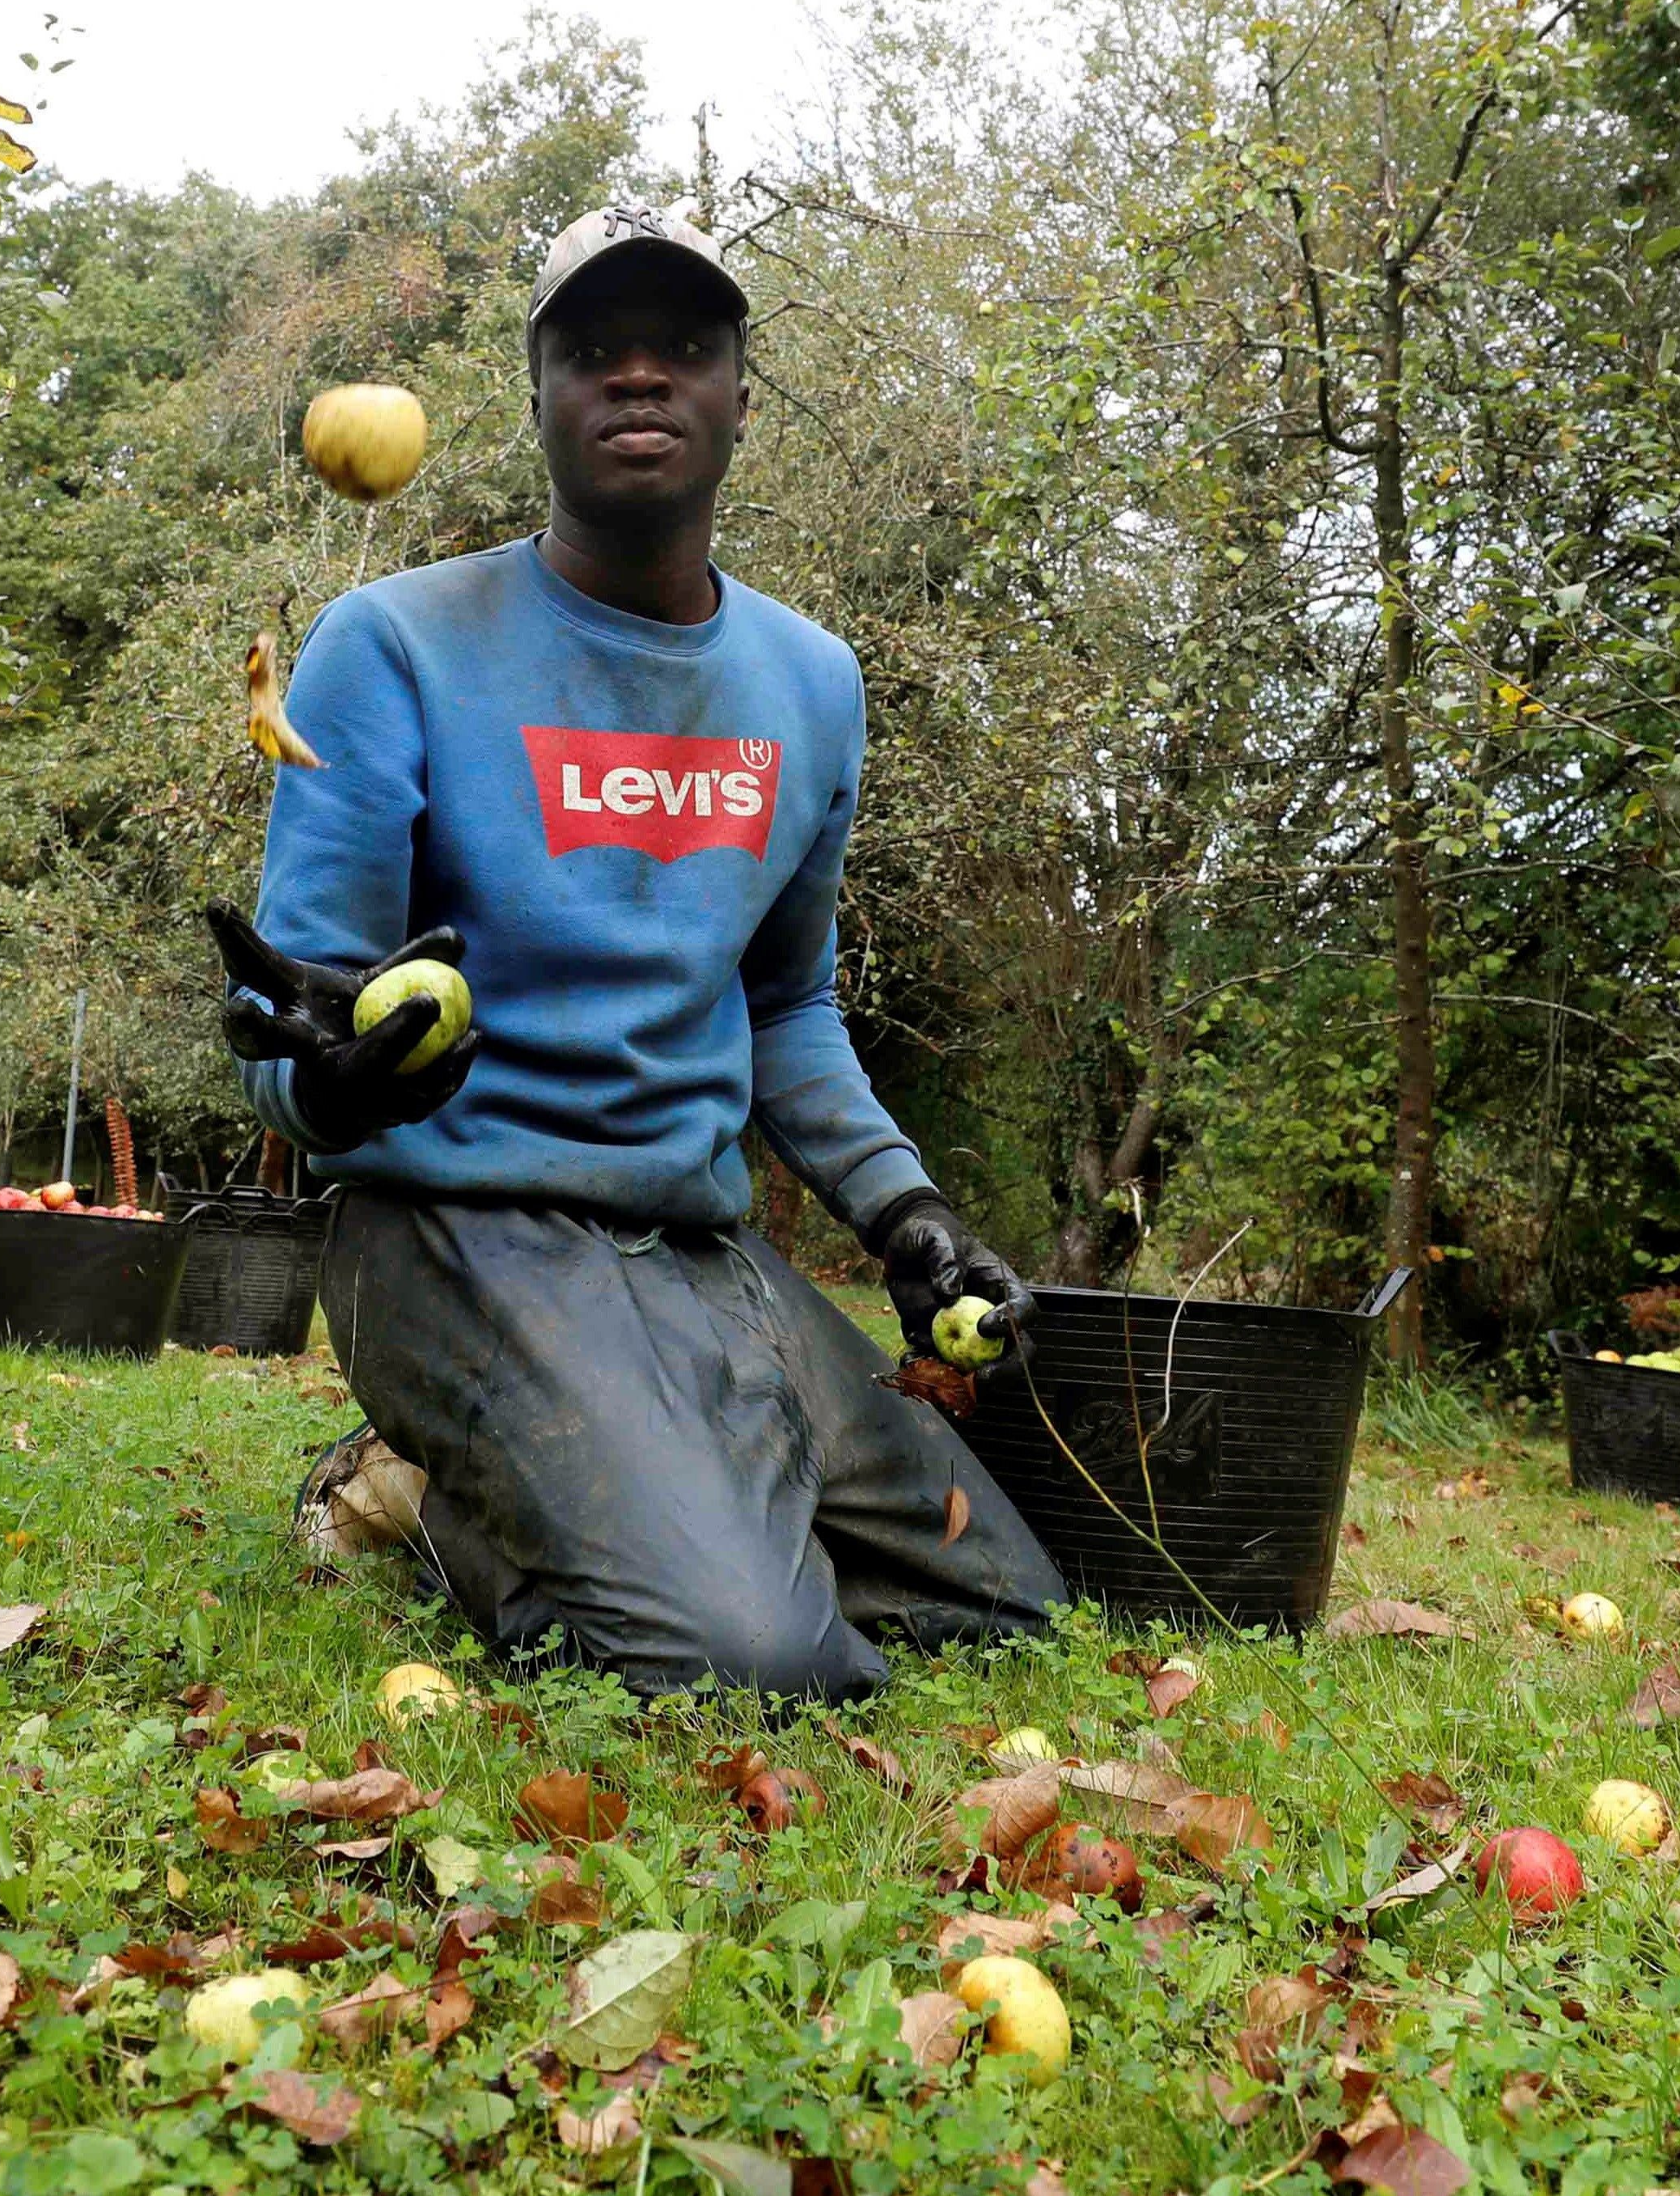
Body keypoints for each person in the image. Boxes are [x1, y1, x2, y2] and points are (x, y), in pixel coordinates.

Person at [214, 201, 1069, 1700]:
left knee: (999, 1607)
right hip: (452, 1233)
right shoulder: (393, 644)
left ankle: (623, 1478)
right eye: (591, 349)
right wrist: (338, 1086)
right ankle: (426, 1495)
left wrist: (904, 1216)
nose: (637, 376)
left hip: (689, 1252)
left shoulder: (809, 685)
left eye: (682, 347)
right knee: (748, 1661)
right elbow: (297, 1009)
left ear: (740, 394)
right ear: (536, 393)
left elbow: (782, 1005)